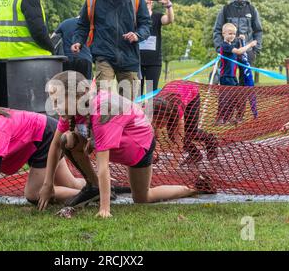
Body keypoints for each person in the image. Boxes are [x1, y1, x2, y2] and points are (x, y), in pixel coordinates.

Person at [38, 71, 208, 218]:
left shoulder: (102, 111)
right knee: (66, 139)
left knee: (143, 198)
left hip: (137, 147)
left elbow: (103, 166)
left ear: (79, 96)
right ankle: (93, 186)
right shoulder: (71, 110)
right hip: (110, 142)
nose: (54, 108)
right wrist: (48, 185)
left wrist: (105, 208)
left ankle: (192, 189)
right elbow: (55, 146)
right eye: (52, 102)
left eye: (58, 101)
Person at [71, 0, 151, 101]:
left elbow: (146, 24)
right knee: (103, 100)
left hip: (129, 56)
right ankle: (102, 122)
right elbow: (83, 24)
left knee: (128, 105)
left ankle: (124, 123)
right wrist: (77, 40)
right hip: (103, 55)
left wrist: (137, 35)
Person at [153, 80, 218, 167]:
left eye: (160, 122)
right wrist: (154, 153)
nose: (158, 125)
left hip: (190, 91)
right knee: (171, 135)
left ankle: (210, 140)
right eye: (155, 121)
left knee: (190, 132)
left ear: (168, 116)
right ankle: (195, 155)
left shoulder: (177, 110)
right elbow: (153, 136)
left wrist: (173, 165)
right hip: (173, 90)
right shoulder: (149, 112)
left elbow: (179, 139)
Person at [213, 0, 263, 85]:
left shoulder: (252, 9)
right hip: (229, 52)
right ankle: (229, 101)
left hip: (247, 52)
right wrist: (219, 48)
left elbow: (258, 30)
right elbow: (217, 30)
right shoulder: (225, 9)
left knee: (245, 84)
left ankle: (241, 102)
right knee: (228, 83)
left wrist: (255, 50)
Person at [216, 23, 257, 124]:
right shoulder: (225, 46)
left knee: (236, 97)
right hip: (226, 77)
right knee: (227, 98)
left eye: (234, 34)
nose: (232, 36)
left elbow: (238, 49)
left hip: (232, 77)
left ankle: (230, 117)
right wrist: (250, 45)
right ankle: (221, 118)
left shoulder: (231, 45)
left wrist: (241, 39)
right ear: (223, 33)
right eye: (229, 33)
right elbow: (239, 51)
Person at [139, 0, 174, 94]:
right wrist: (142, 3)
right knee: (137, 95)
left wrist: (168, 4)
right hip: (137, 62)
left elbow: (169, 19)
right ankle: (137, 111)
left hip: (153, 63)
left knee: (151, 94)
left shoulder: (157, 16)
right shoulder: (135, 16)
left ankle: (149, 111)